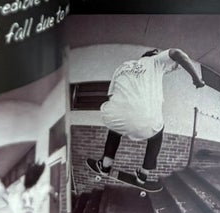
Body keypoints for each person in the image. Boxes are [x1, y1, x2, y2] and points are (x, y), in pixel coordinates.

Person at [84, 46, 205, 191]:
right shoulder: (155, 61)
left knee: (115, 126)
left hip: (113, 115)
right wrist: (197, 79)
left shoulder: (123, 66)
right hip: (147, 124)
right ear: (154, 54)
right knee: (157, 132)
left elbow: (111, 95)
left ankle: (105, 165)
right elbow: (177, 53)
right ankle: (143, 174)